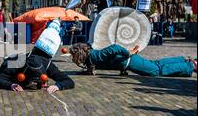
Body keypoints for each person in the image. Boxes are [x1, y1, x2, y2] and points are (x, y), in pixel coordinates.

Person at [69, 42, 197, 77]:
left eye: (73, 56)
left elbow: (114, 48)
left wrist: (128, 53)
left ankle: (191, 65)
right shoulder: (90, 58)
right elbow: (106, 63)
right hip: (128, 62)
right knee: (155, 64)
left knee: (156, 71)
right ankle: (183, 60)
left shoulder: (94, 56)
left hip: (130, 61)